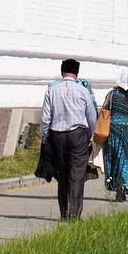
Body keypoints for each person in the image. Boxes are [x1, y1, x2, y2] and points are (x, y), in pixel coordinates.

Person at [40, 59, 99, 220]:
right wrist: (92, 136)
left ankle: (63, 211)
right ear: (77, 73)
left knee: (62, 174)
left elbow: (45, 117)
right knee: (77, 175)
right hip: (78, 134)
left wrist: (45, 137)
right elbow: (92, 116)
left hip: (57, 135)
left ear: (62, 72)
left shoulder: (52, 90)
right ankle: (74, 213)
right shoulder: (83, 90)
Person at [100, 76, 128, 202]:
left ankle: (116, 184)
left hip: (112, 131)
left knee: (114, 158)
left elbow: (104, 111)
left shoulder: (112, 95)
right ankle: (125, 183)